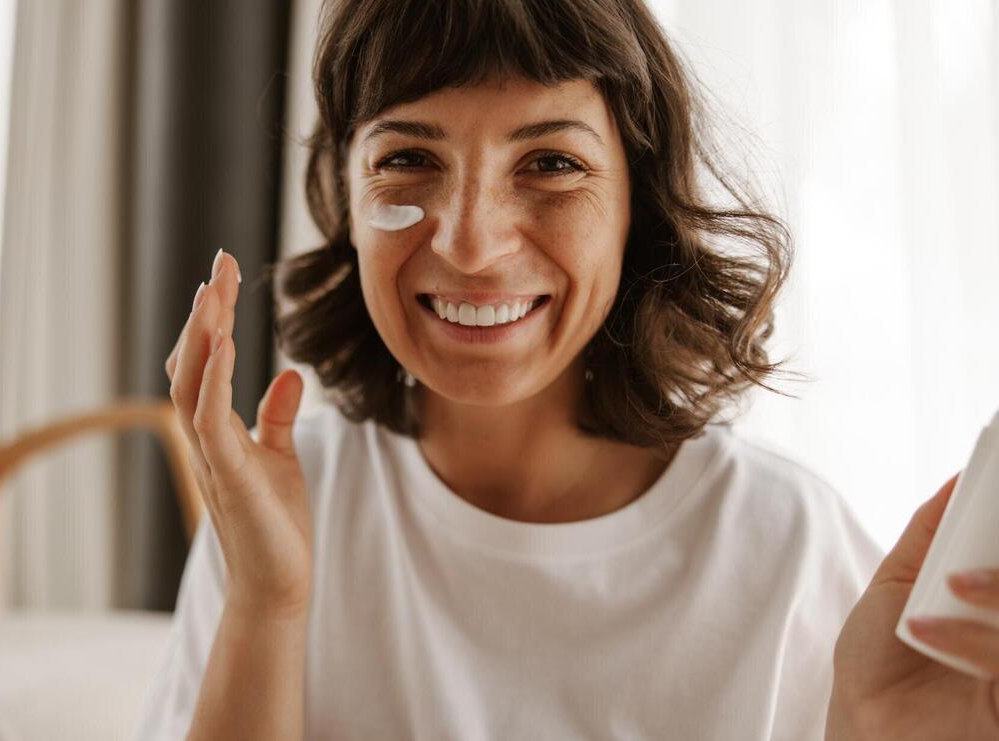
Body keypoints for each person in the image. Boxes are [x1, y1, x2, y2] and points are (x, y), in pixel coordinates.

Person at [134, 1, 999, 739]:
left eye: (550, 163)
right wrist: (268, 604)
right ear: (349, 201)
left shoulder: (786, 549)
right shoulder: (280, 506)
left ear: (638, 201)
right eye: (408, 159)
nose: (471, 244)